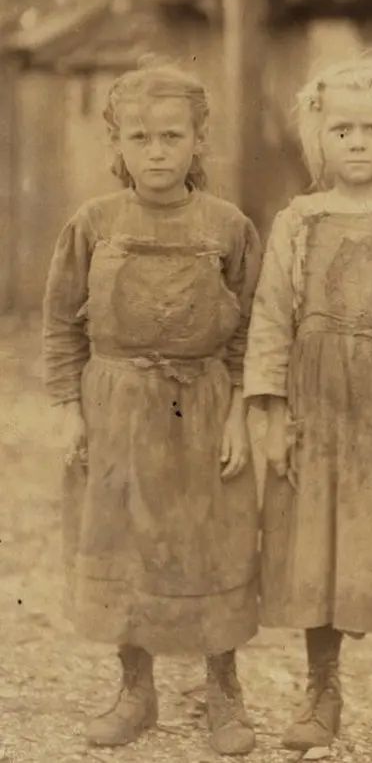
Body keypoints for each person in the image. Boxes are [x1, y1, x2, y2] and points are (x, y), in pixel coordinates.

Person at [42, 62, 262, 756]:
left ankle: (223, 689)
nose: (157, 150)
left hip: (203, 404)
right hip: (117, 405)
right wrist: (71, 408)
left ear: (201, 140)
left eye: (173, 135)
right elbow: (60, 326)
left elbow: (254, 329)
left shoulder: (228, 226)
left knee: (212, 540)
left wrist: (238, 417)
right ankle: (134, 690)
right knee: (124, 542)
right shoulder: (93, 223)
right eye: (140, 136)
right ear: (117, 143)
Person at [243, 48, 372, 763]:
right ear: (317, 137)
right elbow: (270, 319)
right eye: (341, 130)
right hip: (316, 408)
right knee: (315, 549)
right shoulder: (297, 221)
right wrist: (268, 412)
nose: (356, 142)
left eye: (370, 129)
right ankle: (321, 691)